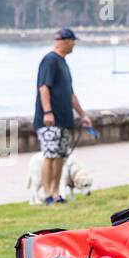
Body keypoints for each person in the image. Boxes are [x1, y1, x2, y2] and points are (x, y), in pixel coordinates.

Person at [34, 26, 93, 205]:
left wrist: (82, 114)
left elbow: (70, 94)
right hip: (50, 120)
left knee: (60, 156)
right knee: (50, 155)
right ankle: (47, 195)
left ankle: (56, 192)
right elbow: (44, 87)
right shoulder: (50, 60)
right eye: (73, 41)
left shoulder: (63, 62)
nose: (74, 45)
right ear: (66, 41)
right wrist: (47, 112)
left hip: (64, 119)